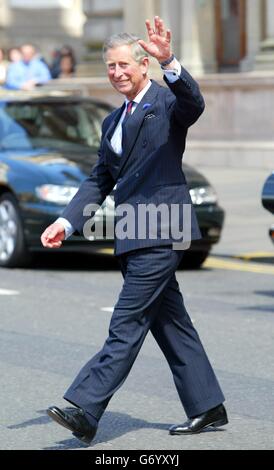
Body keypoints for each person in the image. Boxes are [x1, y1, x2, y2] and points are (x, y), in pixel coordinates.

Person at [41, 16, 228, 445]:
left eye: (124, 64)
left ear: (144, 65)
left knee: (126, 322)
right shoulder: (111, 123)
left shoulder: (165, 103)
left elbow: (194, 104)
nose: (117, 72)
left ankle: (86, 409)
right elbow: (98, 180)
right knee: (171, 323)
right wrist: (66, 221)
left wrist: (173, 63)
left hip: (161, 230)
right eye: (110, 66)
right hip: (133, 233)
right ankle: (207, 405)